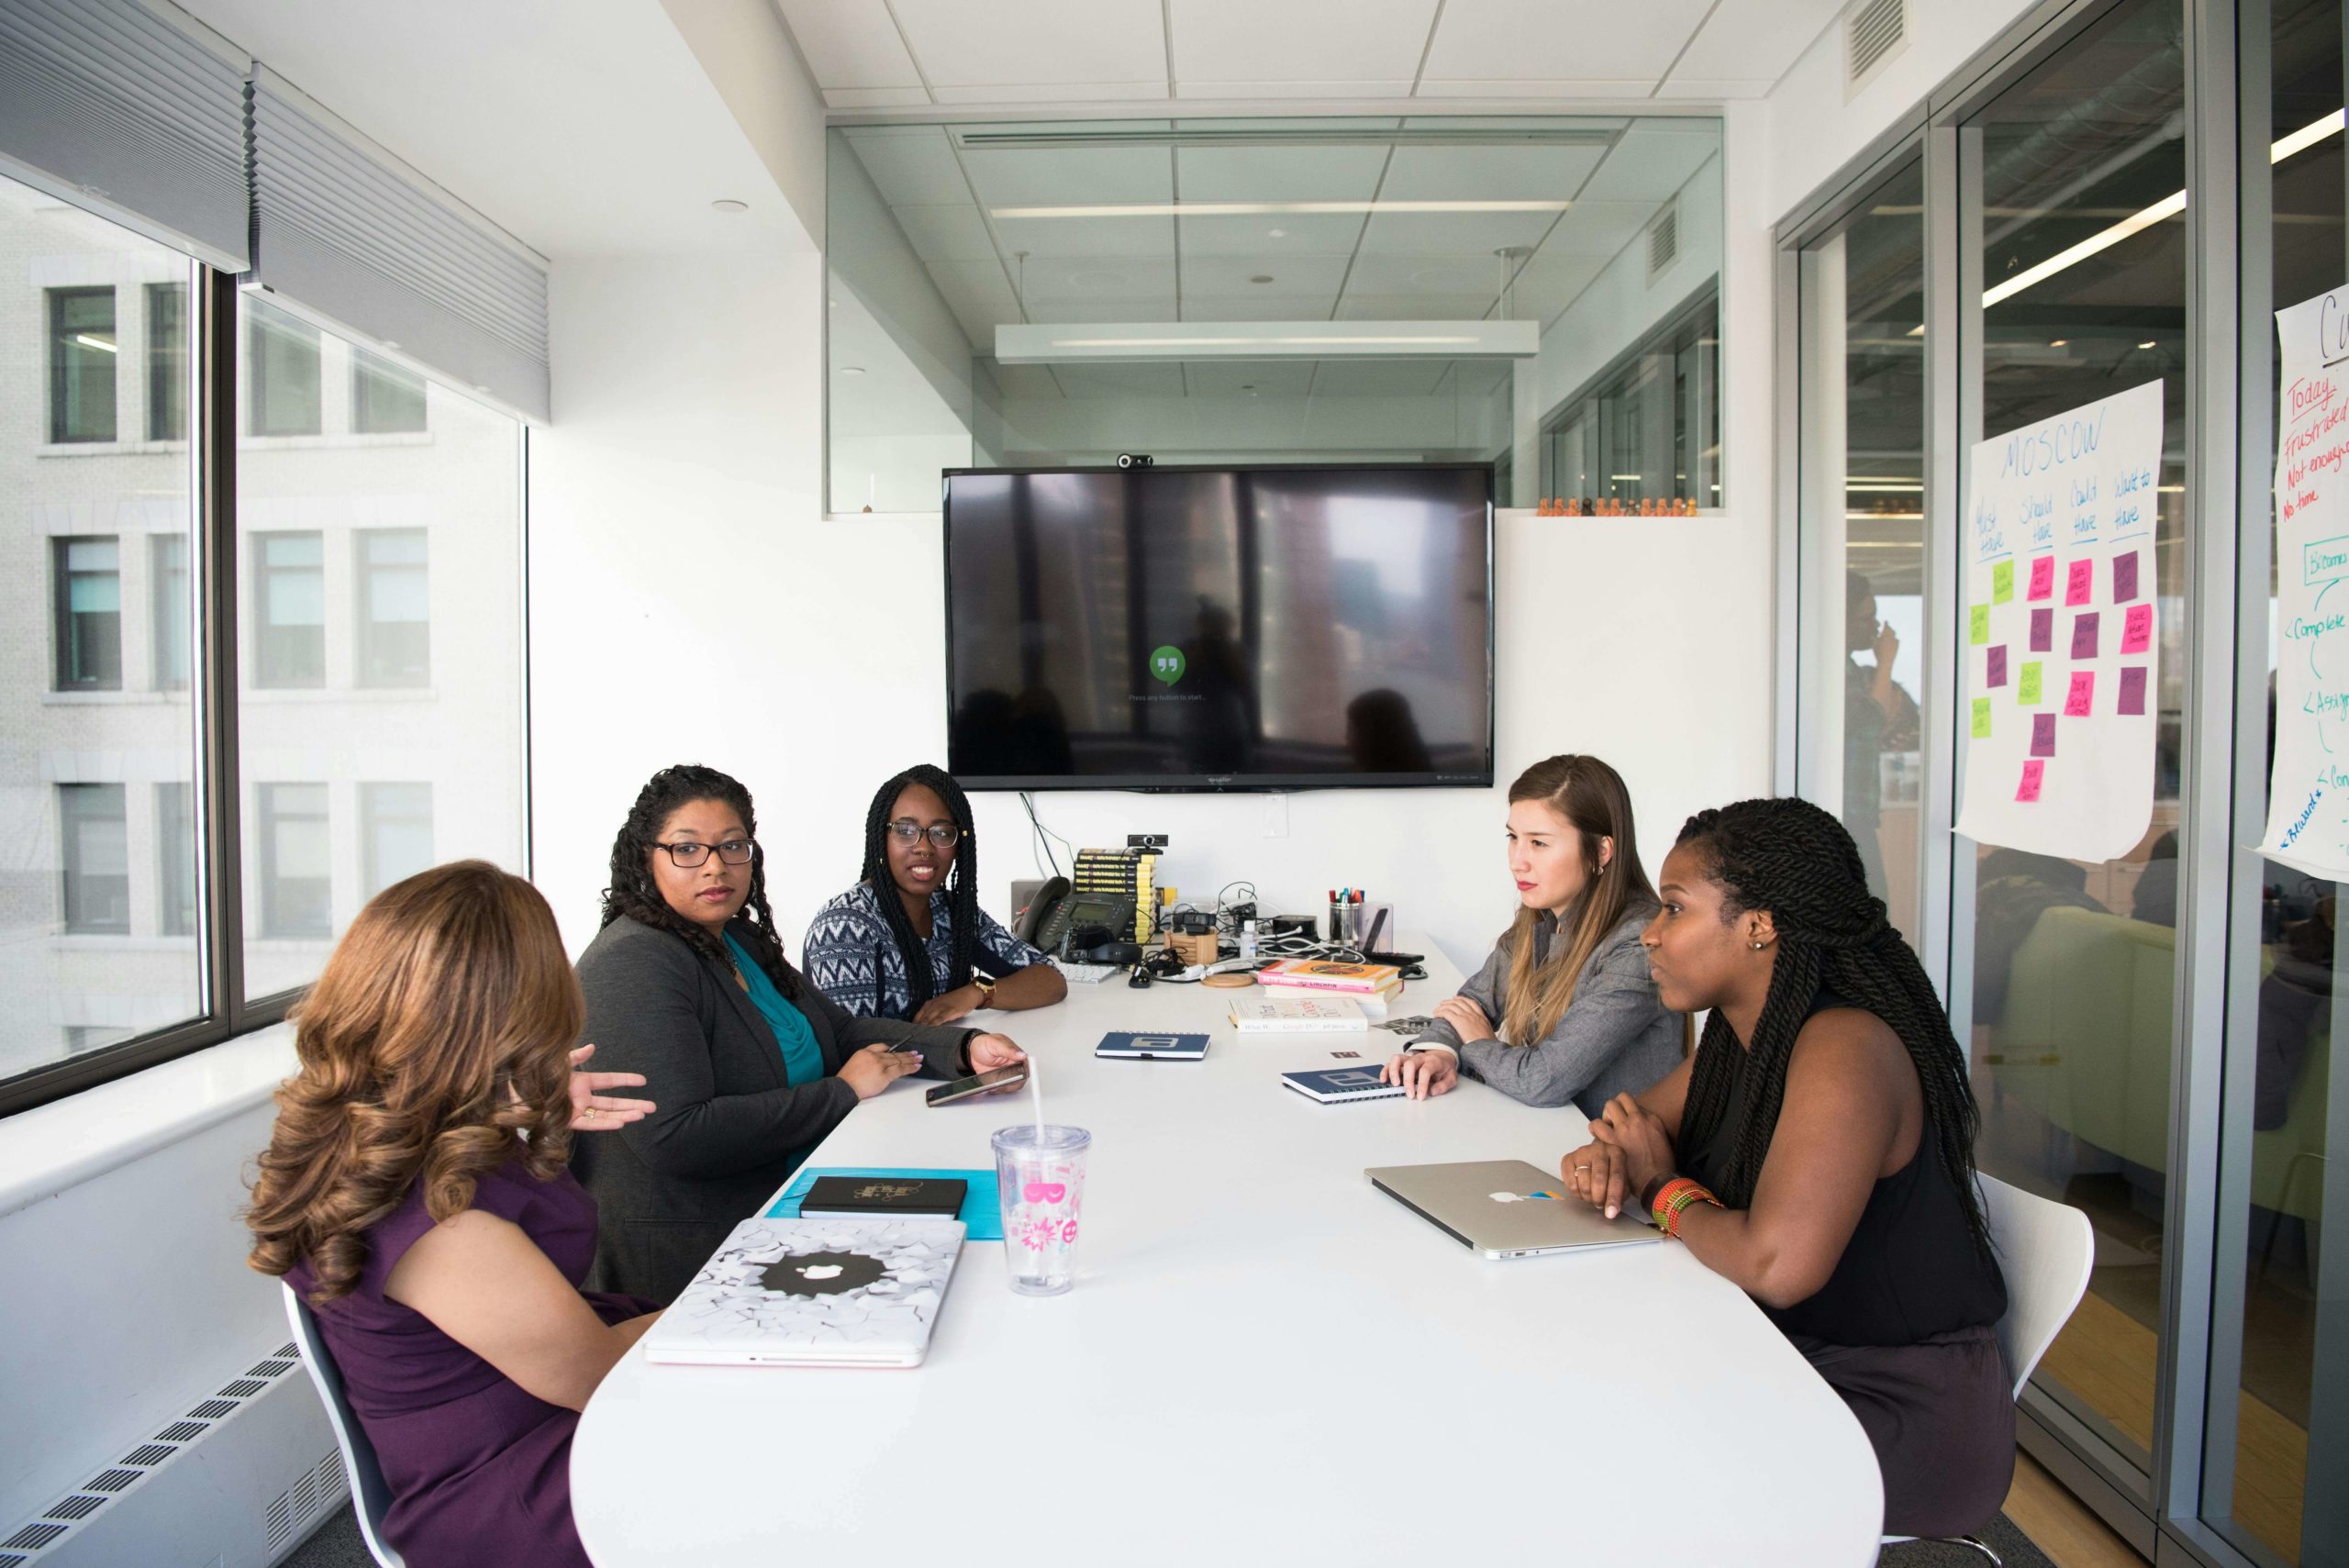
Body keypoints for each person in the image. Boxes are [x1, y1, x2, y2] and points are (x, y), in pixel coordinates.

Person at [1562, 796, 2012, 1539]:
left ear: (1760, 924)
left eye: (1675, 910)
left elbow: (1777, 1263)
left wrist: (1658, 1186)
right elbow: (1624, 1127)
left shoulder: (1845, 1046)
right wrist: (1607, 1159)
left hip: (1892, 1410)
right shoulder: (1746, 1037)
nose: (1651, 933)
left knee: (1609, 1450)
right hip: (1783, 1353)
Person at [245, 862, 662, 1568]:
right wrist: (731, 1301)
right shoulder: (444, 1229)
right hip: (519, 1491)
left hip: (521, 1412)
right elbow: (600, 1380)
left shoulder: (372, 1132)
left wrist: (519, 1104)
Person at [571, 763, 1027, 1301]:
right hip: (693, 1252)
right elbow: (678, 1137)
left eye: (732, 846)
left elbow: (842, 1030)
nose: (715, 867)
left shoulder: (734, 938)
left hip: (787, 1201)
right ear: (646, 857)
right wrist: (843, 1092)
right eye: (688, 849)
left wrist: (965, 1049)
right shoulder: (634, 961)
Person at [1380, 753, 1683, 1113]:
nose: (1516, 860)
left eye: (1538, 843)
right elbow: (1472, 1003)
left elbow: (1542, 1080)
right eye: (1513, 837)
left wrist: (1477, 1043)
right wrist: (1437, 1053)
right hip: (1559, 1136)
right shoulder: (1540, 917)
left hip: (1612, 1157)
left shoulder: (1637, 945)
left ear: (1601, 851)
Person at [804, 763, 1067, 1024]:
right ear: (880, 838)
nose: (924, 848)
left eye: (941, 833)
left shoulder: (951, 912)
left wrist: (975, 993)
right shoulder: (844, 926)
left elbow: (1050, 979)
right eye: (905, 831)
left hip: (952, 1060)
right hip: (910, 1064)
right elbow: (854, 1042)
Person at [1844, 570, 1920, 902]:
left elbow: (1896, 720)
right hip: (1845, 811)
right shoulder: (1832, 671)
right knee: (1871, 903)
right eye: (1867, 618)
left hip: (1859, 810)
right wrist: (1887, 660)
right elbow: (1868, 720)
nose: (1876, 627)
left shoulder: (1858, 674)